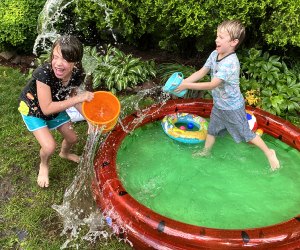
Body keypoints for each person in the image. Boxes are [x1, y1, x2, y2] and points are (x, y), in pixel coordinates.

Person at [175, 20, 280, 170]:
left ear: (233, 42)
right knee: (212, 129)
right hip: (219, 105)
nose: (216, 39)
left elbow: (212, 84)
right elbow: (201, 72)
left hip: (232, 107)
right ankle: (206, 152)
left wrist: (186, 85)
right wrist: (183, 82)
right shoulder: (214, 54)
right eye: (217, 36)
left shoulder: (230, 62)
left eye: (221, 37)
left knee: (246, 134)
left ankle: (269, 153)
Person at [18, 35, 94, 188]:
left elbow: (71, 94)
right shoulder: (44, 73)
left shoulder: (77, 73)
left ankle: (64, 153)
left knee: (72, 139)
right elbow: (46, 109)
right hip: (34, 109)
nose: (59, 64)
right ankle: (44, 165)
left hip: (56, 105)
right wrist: (78, 99)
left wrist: (90, 119)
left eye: (66, 59)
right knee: (49, 146)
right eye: (56, 57)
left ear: (75, 62)